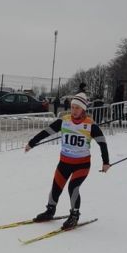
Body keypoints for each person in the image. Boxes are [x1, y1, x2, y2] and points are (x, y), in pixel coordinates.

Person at [24, 91, 110, 229]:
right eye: (72, 107)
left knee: (73, 187)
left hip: (82, 165)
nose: (74, 110)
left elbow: (102, 143)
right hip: (64, 162)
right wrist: (32, 143)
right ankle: (50, 210)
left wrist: (106, 162)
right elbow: (46, 132)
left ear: (83, 109)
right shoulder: (64, 121)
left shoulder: (90, 125)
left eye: (77, 108)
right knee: (56, 186)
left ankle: (74, 215)